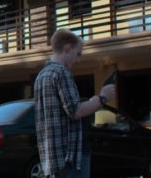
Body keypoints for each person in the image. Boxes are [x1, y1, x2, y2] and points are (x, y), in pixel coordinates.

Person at [34, 28, 116, 178]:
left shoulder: (41, 75)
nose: (78, 60)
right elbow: (75, 111)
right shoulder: (62, 73)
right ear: (68, 48)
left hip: (52, 157)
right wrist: (102, 98)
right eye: (78, 54)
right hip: (71, 156)